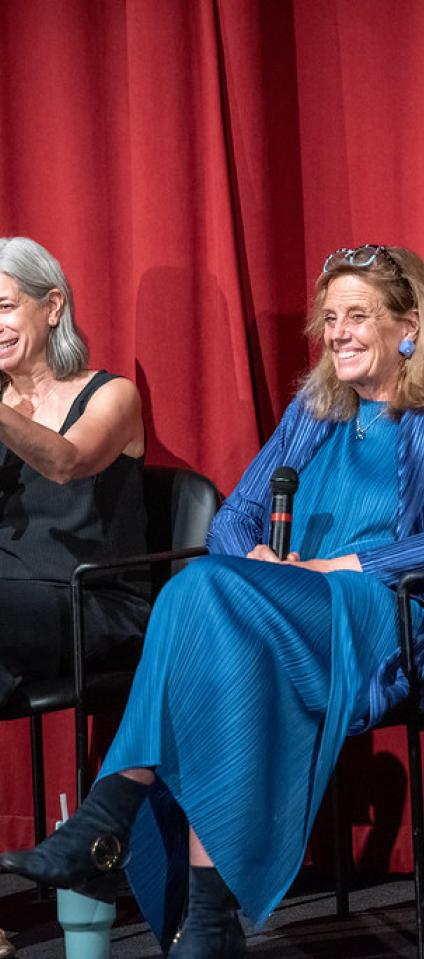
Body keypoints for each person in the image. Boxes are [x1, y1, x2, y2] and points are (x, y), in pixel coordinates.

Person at [0, 244, 424, 957]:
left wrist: (346, 561)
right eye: (329, 318)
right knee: (215, 618)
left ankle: (111, 815)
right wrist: (259, 559)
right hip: (287, 605)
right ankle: (207, 917)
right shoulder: (315, 408)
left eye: (357, 315)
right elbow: (233, 518)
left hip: (383, 613)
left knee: (198, 591)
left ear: (410, 323)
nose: (337, 333)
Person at [0, 235, 149, 958]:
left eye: (2, 305)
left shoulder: (111, 393)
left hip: (96, 605)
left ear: (51, 304)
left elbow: (66, 462)